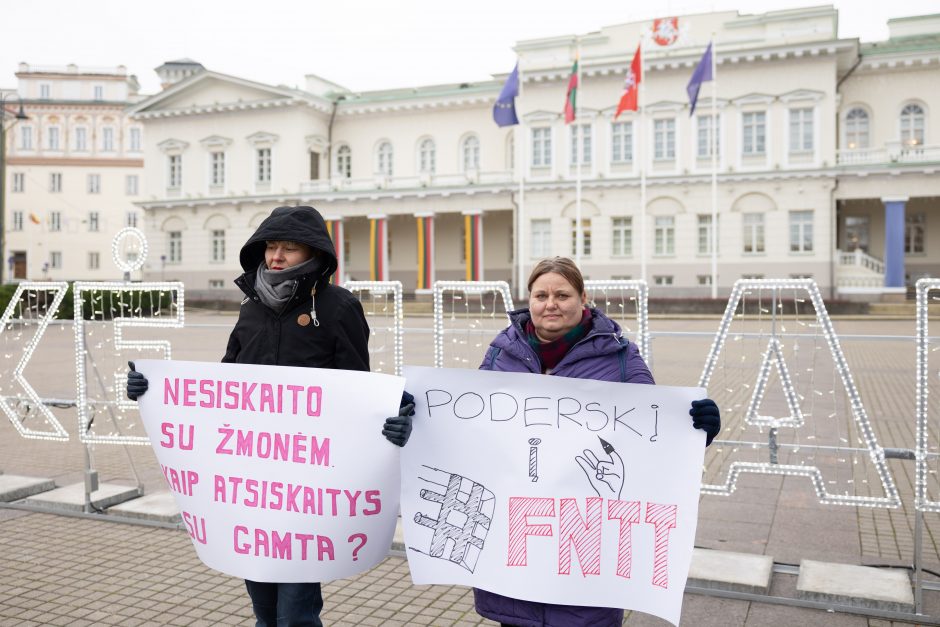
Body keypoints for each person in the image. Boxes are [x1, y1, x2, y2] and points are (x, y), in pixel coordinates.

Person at [126, 204, 414, 627]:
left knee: (295, 612)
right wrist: (153, 391)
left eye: (289, 248)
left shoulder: (337, 308)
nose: (276, 257)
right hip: (253, 487)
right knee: (263, 609)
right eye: (271, 247)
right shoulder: (251, 307)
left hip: (309, 487)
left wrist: (392, 417)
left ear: (313, 254)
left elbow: (358, 388)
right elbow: (222, 387)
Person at [473, 256, 720, 627]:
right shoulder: (500, 355)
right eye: (540, 295)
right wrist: (417, 423)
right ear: (529, 300)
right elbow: (470, 429)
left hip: (587, 553)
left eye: (562, 294)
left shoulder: (619, 357)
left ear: (582, 298)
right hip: (518, 553)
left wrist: (698, 429)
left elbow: (653, 433)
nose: (550, 304)